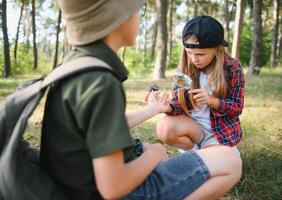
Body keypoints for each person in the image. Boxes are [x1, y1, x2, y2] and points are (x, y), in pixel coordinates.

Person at [40, 1, 242, 199]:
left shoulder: (78, 66)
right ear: (119, 19)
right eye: (137, 10)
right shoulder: (101, 82)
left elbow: (101, 127)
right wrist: (156, 153)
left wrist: (154, 109)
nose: (140, 16)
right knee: (232, 161)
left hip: (82, 181)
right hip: (122, 189)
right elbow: (113, 189)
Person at [156, 15, 245, 154]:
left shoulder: (232, 67)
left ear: (217, 49)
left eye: (200, 54)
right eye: (189, 53)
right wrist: (166, 107)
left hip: (219, 133)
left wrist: (212, 101)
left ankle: (210, 154)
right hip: (193, 130)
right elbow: (178, 105)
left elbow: (237, 107)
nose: (193, 59)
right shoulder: (185, 68)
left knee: (221, 165)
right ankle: (196, 153)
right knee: (164, 128)